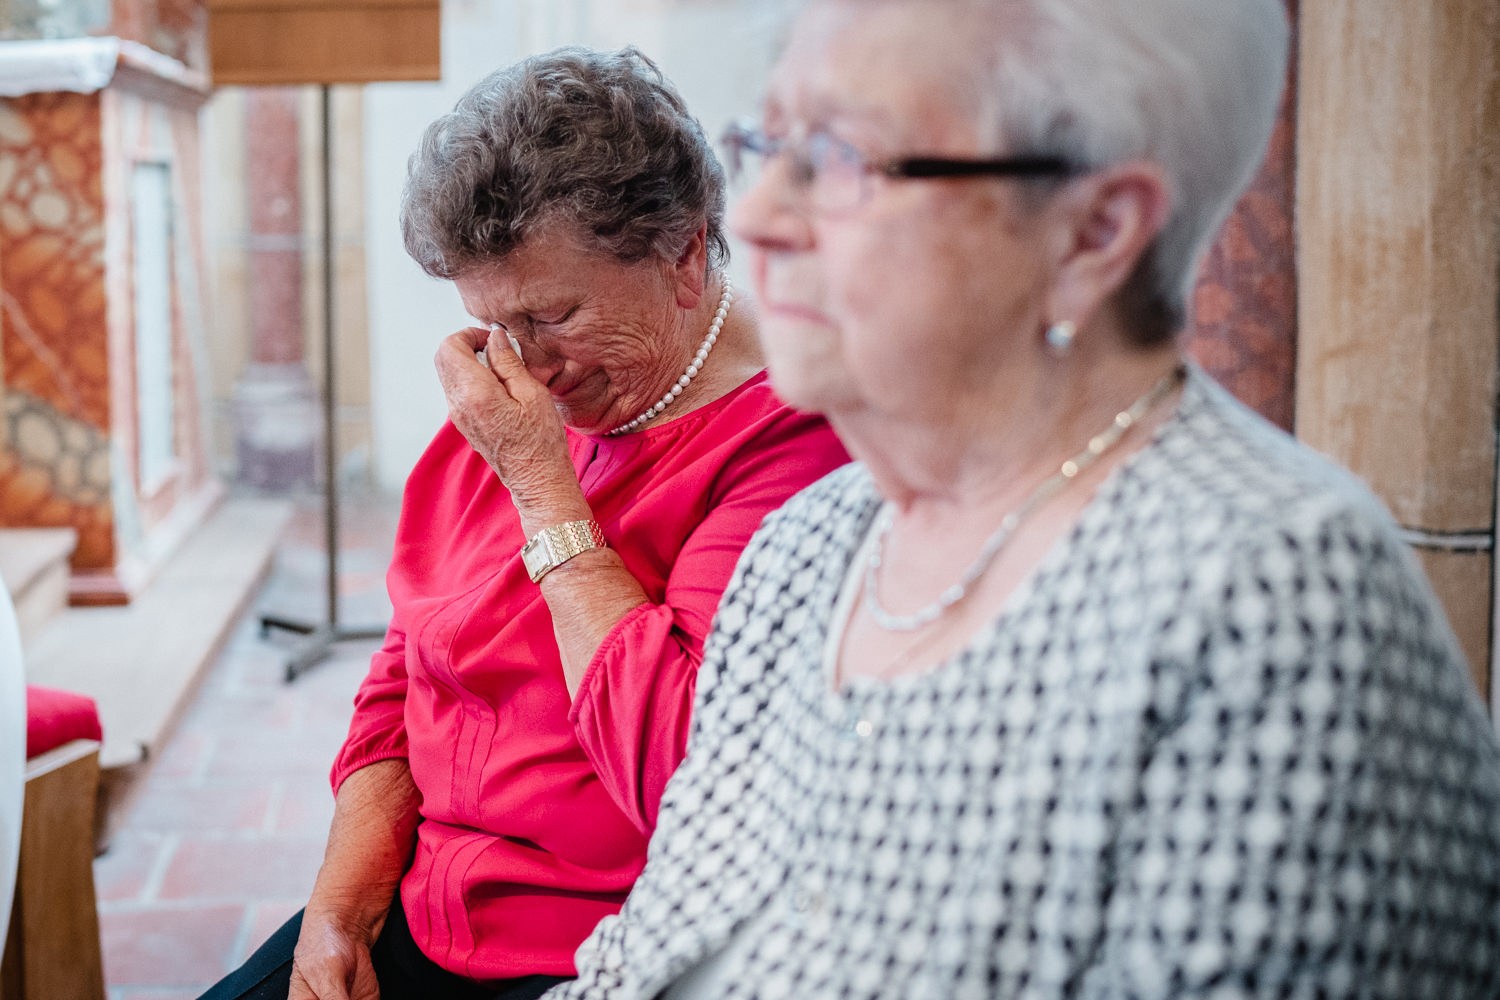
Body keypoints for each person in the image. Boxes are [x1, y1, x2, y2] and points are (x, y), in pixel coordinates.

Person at [550, 1, 1500, 996]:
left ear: (1093, 232)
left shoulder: (1273, 602)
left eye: (837, 156)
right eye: (765, 143)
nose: (754, 218)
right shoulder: (805, 549)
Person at [200, 46, 848, 1000]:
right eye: (499, 326)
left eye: (556, 314)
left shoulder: (793, 442)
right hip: (425, 906)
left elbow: (682, 774)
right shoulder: (516, 401)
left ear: (683, 255)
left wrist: (546, 486)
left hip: (604, 944)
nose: (530, 368)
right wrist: (339, 907)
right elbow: (404, 672)